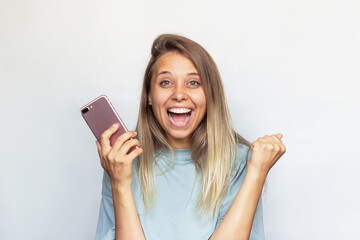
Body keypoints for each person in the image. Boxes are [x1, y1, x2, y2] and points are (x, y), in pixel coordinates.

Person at [94, 34, 286, 240]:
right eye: (166, 82)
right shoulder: (122, 162)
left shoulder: (240, 162)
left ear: (210, 94)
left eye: (193, 83)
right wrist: (119, 184)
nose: (179, 94)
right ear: (149, 95)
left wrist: (256, 173)